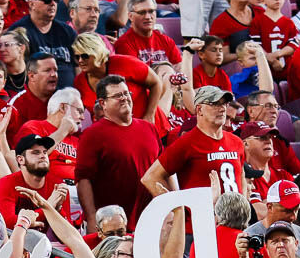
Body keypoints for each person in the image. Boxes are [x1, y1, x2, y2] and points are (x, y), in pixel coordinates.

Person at [140, 86, 245, 233]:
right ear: (199, 109)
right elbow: (150, 178)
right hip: (199, 229)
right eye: (214, 104)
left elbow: (241, 177)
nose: (221, 109)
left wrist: (244, 208)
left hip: (235, 226)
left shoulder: (236, 142)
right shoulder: (187, 143)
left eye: (223, 104)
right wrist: (177, 208)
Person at [76, 75, 162, 230]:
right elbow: (83, 180)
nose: (124, 98)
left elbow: (163, 170)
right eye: (117, 96)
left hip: (151, 220)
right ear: (103, 103)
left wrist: (173, 205)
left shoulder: (149, 128)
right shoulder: (92, 135)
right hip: (113, 226)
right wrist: (91, 218)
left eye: (126, 93)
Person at [71, 34, 162, 125]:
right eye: (77, 57)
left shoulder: (124, 63)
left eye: (84, 56)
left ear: (97, 53)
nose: (80, 60)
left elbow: (156, 83)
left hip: (149, 126)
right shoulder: (79, 82)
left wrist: (150, 115)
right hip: (114, 135)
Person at [10, 0, 77, 88]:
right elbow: (16, 72)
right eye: (47, 0)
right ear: (31, 4)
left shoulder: (67, 31)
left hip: (70, 96)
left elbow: (78, 66)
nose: (53, 3)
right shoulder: (19, 32)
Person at [115, 0, 179, 64]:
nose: (148, 17)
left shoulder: (167, 41)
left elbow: (180, 70)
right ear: (130, 16)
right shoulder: (124, 44)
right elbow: (135, 74)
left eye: (151, 11)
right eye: (142, 12)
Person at [8, 52, 59, 123]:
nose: (54, 74)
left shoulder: (63, 100)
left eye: (55, 70)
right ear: (32, 76)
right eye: (47, 70)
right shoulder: (16, 105)